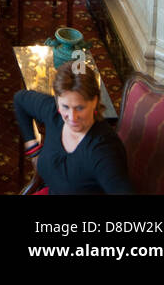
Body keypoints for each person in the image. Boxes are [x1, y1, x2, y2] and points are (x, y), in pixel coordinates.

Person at [14, 64, 133, 195]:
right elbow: (20, 99)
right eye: (65, 106)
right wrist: (34, 151)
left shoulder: (104, 150)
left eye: (80, 108)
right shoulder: (53, 113)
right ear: (57, 100)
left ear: (95, 101)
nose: (72, 117)